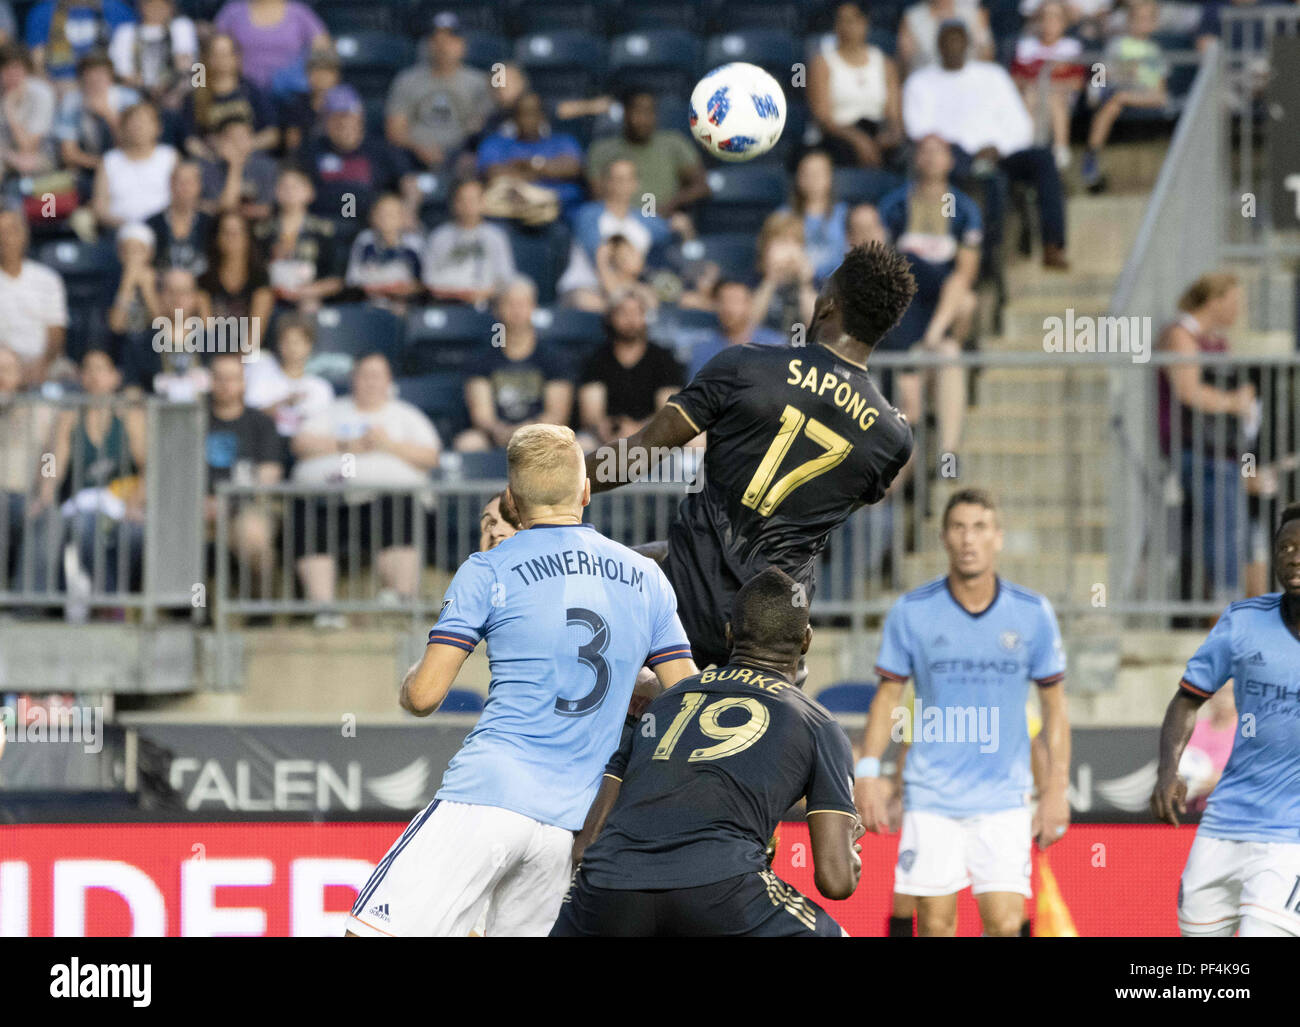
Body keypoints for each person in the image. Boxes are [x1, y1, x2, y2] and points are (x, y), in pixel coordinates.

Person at [346, 423, 697, 937]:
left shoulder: (487, 569)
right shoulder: (646, 576)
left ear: (513, 497)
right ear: (583, 491)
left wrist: (408, 682)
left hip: (487, 796)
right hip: (564, 825)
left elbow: (424, 697)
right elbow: (689, 699)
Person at [585, 242, 916, 671]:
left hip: (683, 608)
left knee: (642, 732)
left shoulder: (745, 366)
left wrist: (554, 485)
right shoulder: (892, 438)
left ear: (828, 304)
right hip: (774, 633)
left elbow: (639, 454)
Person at [551, 567, 861, 937]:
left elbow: (585, 847)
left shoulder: (664, 703)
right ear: (806, 640)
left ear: (729, 634)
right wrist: (851, 857)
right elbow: (836, 880)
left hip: (608, 887)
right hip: (722, 890)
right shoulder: (817, 723)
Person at [854, 489, 1071, 937]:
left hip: (1005, 797)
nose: (968, 538)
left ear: (998, 538)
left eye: (979, 527)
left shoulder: (1032, 614)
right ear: (943, 538)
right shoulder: (912, 611)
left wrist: (1055, 789)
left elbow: (1055, 709)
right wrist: (870, 773)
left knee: (1007, 922)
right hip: (932, 796)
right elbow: (887, 699)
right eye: (958, 527)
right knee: (934, 925)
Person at [1151, 502, 1300, 938]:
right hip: (1224, 824)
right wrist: (1167, 772)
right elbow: (1186, 701)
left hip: (1290, 837)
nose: (1294, 555)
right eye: (1285, 546)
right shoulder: (1242, 623)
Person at [903, 20, 1069, 270]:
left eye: (958, 39)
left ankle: (1052, 245)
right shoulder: (921, 81)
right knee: (983, 180)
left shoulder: (992, 75)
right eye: (947, 40)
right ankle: (984, 257)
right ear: (938, 45)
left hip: (999, 153)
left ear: (968, 43)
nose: (953, 45)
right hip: (952, 157)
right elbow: (919, 129)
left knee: (1043, 158)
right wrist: (963, 149)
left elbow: (1020, 123)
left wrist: (997, 148)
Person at [291, 352, 440, 626]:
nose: (370, 382)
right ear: (353, 379)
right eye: (364, 375)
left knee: (403, 511)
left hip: (387, 501)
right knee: (308, 515)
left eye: (377, 376)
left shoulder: (406, 415)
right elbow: (301, 445)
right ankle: (323, 608)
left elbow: (431, 456)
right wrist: (349, 444)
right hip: (333, 501)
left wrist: (388, 445)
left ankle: (401, 598)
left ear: (388, 381)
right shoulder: (332, 411)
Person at [877, 134, 982, 455]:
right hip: (906, 300)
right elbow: (879, 258)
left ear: (950, 160)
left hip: (943, 302)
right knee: (946, 354)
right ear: (916, 158)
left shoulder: (963, 208)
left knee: (965, 296)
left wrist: (937, 326)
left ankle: (948, 452)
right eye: (925, 151)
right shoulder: (895, 204)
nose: (932, 158)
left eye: (939, 152)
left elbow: (967, 271)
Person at [1156, 272, 1255, 603]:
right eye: (1234, 301)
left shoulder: (1214, 340)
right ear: (1214, 300)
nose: (1239, 309)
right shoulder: (1181, 335)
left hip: (1220, 449)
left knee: (1224, 532)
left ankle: (1218, 605)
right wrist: (1233, 402)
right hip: (1195, 449)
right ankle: (1226, 607)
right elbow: (1189, 391)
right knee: (1223, 533)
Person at [39, 348, 147, 597]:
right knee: (84, 528)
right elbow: (53, 461)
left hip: (122, 502)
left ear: (114, 377)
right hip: (83, 503)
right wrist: (44, 495)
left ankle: (114, 598)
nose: (95, 376)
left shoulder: (130, 415)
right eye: (88, 369)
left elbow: (148, 468)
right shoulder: (69, 416)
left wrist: (134, 504)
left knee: (135, 535)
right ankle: (109, 600)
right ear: (81, 378)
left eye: (101, 369)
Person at [455, 277, 573, 452]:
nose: (517, 310)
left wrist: (526, 431)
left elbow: (557, 414)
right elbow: (481, 415)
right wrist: (500, 431)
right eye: (509, 303)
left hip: (541, 437)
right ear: (497, 309)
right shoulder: (482, 357)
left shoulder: (553, 357)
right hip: (496, 436)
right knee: (468, 443)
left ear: (534, 307)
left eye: (523, 303)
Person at [205, 351, 283, 591]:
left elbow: (268, 476)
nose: (226, 385)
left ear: (244, 382)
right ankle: (191, 608)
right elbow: (179, 472)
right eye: (220, 378)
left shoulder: (261, 423)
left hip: (247, 504)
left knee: (254, 536)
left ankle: (260, 605)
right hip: (198, 506)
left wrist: (227, 503)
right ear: (211, 381)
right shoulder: (193, 419)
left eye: (232, 378)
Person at [384, 12, 492, 172]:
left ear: (463, 45)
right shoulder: (406, 80)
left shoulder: (479, 82)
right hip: (414, 156)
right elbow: (395, 130)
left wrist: (465, 151)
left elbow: (482, 127)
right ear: (427, 44)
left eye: (450, 40)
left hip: (460, 154)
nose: (443, 46)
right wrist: (418, 148)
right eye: (437, 40)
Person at [1080, 0, 1167, 193]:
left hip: (1143, 96)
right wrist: (1120, 74)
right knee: (1111, 100)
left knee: (1117, 98)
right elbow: (1102, 70)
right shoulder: (1116, 45)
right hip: (1117, 92)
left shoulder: (1155, 52)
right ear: (1129, 21)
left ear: (1154, 23)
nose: (1141, 23)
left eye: (1146, 19)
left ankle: (1092, 154)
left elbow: (1161, 93)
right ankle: (1092, 156)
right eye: (1138, 19)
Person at [576, 292, 683, 450]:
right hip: (606, 436)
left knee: (696, 441)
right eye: (623, 312)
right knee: (579, 445)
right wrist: (604, 428)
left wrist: (637, 430)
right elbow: (591, 415)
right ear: (610, 318)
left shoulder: (663, 358)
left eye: (637, 312)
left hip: (654, 434)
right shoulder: (596, 359)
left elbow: (668, 412)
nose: (630, 319)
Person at [807, 3, 903, 169]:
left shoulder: (885, 64)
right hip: (838, 136)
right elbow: (823, 118)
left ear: (865, 23)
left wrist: (890, 136)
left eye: (852, 21)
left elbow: (893, 116)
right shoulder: (822, 63)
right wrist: (858, 140)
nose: (847, 28)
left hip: (875, 133)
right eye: (841, 21)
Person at [587, 90, 708, 219]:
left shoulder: (674, 143)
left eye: (649, 112)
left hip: (665, 220)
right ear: (625, 114)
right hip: (616, 224)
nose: (644, 119)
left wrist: (672, 204)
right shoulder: (601, 150)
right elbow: (598, 196)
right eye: (637, 112)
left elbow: (701, 186)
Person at [299, 84, 408, 224]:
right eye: (337, 118)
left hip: (372, 226)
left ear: (360, 118)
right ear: (325, 122)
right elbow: (294, 184)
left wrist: (408, 209)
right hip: (321, 226)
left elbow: (408, 181)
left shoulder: (381, 149)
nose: (344, 123)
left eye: (349, 117)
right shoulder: (310, 150)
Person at [477, 91, 585, 216]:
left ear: (542, 116)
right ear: (514, 118)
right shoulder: (496, 143)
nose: (527, 120)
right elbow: (493, 174)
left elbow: (572, 168)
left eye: (533, 113)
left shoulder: (563, 141)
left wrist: (531, 165)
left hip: (560, 213)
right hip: (511, 214)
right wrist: (547, 170)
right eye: (522, 114)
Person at [1010, 0, 1085, 170]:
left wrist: (1050, 84)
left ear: (1064, 23)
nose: (1050, 23)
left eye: (1055, 18)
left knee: (1052, 97)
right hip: (1032, 97)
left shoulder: (1071, 48)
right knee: (1031, 95)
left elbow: (1079, 83)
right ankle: (1027, 148)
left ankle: (1060, 149)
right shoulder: (1026, 47)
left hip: (1062, 98)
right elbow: (1015, 79)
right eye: (1045, 17)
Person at [257, 164, 342, 312]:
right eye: (284, 186)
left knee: (310, 307)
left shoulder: (324, 231)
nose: (289, 192)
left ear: (309, 192)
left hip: (308, 298)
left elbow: (336, 279)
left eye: (295, 186)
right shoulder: (262, 231)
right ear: (275, 191)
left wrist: (307, 291)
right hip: (270, 297)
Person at [180, 33, 278, 158]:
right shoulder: (196, 97)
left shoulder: (252, 91)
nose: (222, 60)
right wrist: (211, 155)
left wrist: (249, 145)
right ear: (208, 58)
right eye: (216, 55)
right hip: (212, 163)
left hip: (251, 158)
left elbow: (272, 134)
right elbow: (190, 140)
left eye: (226, 54)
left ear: (236, 57)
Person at [55, 51, 137, 199]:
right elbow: (68, 153)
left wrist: (108, 115)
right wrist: (103, 167)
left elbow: (135, 145)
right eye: (90, 77)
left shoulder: (129, 99)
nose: (95, 81)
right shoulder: (72, 102)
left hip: (129, 167)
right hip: (89, 170)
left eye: (100, 75)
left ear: (110, 77)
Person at [421, 177, 515, 305]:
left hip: (487, 305)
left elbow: (506, 278)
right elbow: (428, 278)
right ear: (454, 203)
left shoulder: (496, 237)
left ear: (483, 202)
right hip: (446, 303)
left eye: (473, 200)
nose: (468, 205)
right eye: (463, 200)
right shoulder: (439, 236)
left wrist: (482, 293)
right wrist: (456, 293)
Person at [0, 209, 68, 386]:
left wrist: (43, 363)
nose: (6, 239)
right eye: (1, 233)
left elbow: (56, 332)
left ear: (24, 235)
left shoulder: (48, 279)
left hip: (44, 362)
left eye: (12, 231)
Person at [243, 311, 333, 439]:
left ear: (309, 345)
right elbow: (249, 417)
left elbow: (321, 429)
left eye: (297, 342)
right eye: (286, 342)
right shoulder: (261, 369)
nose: (292, 348)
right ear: (278, 344)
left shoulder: (321, 387)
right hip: (262, 441)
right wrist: (284, 403)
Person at [212, 0, 328, 95]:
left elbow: (324, 50)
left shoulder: (300, 13)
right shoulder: (232, 12)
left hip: (289, 96)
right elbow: (212, 46)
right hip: (244, 93)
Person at [91, 100, 176, 230]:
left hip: (163, 230)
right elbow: (100, 207)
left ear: (158, 128)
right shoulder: (110, 161)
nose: (139, 127)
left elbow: (182, 197)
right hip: (120, 231)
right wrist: (130, 226)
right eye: (133, 122)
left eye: (144, 122)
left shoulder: (169, 157)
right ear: (122, 128)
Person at [571, 158, 672, 263]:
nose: (623, 185)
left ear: (636, 183)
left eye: (628, 179)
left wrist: (675, 224)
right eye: (618, 179)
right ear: (605, 182)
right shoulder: (588, 214)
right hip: (590, 278)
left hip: (635, 278)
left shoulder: (645, 218)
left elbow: (666, 233)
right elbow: (594, 253)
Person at [685, 279, 784, 380]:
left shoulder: (775, 344)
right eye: (723, 301)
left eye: (735, 301)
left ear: (749, 304)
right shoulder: (702, 347)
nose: (728, 308)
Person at [345, 191, 424, 314]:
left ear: (404, 217)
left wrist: (403, 289)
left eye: (393, 214)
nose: (386, 218)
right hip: (368, 302)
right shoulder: (364, 240)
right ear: (372, 217)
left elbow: (422, 283)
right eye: (381, 213)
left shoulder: (414, 244)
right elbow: (353, 280)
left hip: (404, 303)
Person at [108, 0, 196, 109]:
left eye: (161, 4)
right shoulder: (126, 32)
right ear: (141, 7)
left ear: (171, 7)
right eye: (150, 4)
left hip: (174, 89)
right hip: (138, 91)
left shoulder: (181, 26)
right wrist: (145, 87)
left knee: (196, 83)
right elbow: (122, 72)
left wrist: (173, 90)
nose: (156, 9)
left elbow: (186, 63)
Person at [23, 0, 136, 83]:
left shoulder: (117, 10)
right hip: (60, 82)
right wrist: (51, 86)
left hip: (106, 82)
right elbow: (37, 62)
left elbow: (129, 60)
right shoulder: (43, 12)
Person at [782, 151, 850, 286]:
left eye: (819, 173)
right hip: (796, 284)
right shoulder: (784, 216)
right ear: (798, 178)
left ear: (830, 177)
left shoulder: (846, 214)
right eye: (807, 173)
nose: (813, 179)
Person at [200, 209, 274, 328]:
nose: (231, 238)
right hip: (213, 344)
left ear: (247, 238)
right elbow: (207, 330)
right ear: (217, 238)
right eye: (226, 232)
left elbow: (255, 334)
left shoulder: (260, 278)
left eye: (237, 233)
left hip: (250, 345)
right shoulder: (205, 280)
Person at [752, 211, 817, 338]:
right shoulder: (755, 279)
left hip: (801, 352)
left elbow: (816, 326)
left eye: (795, 243)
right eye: (782, 242)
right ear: (766, 247)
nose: (789, 251)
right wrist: (770, 280)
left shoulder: (813, 281)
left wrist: (805, 285)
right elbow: (749, 325)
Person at [199, 114, 277, 219]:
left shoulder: (266, 166)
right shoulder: (208, 168)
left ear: (251, 140)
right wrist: (235, 167)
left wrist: (231, 209)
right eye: (232, 138)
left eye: (243, 137)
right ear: (221, 142)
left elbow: (267, 209)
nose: (238, 143)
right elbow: (224, 207)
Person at [0, 42, 56, 178]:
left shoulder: (41, 93)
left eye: (17, 69)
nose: (12, 75)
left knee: (29, 163)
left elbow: (28, 146)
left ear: (27, 70)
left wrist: (9, 109)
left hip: (40, 155)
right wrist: (9, 156)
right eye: (6, 70)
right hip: (6, 154)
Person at [148, 159, 212, 274]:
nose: (185, 188)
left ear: (199, 186)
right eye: (180, 182)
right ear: (170, 184)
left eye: (190, 182)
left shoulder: (211, 224)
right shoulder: (152, 224)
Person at [898, 0, 993, 73]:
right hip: (929, 84)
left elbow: (987, 56)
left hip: (968, 81)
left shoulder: (974, 14)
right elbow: (905, 63)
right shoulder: (913, 18)